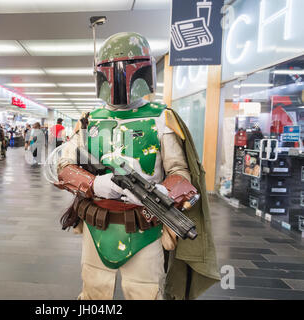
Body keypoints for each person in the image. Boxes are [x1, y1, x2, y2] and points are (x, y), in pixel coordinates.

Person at [53, 32, 219, 300]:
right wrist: (95, 184)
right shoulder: (88, 120)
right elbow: (63, 165)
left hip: (146, 227)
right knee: (94, 294)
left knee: (145, 293)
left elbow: (180, 172)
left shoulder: (161, 118)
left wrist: (164, 193)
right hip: (97, 226)